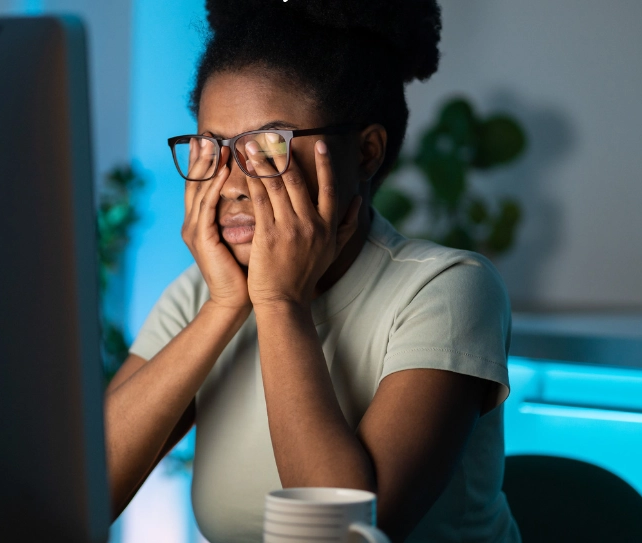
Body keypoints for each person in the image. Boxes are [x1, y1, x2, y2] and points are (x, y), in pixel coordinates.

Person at [104, 1, 521, 541]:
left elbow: (346, 533)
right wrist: (226, 306)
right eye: (212, 147)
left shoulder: (447, 290)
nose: (229, 184)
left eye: (266, 147)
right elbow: (84, 494)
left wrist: (280, 303)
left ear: (366, 153)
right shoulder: (202, 293)